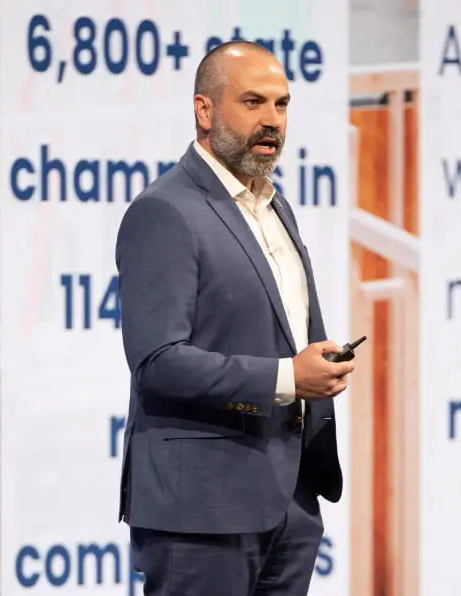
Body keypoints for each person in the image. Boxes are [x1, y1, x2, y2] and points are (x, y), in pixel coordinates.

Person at [115, 41, 356, 595]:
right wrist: (289, 377)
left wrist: (320, 364)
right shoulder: (165, 211)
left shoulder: (275, 206)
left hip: (291, 502)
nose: (272, 120)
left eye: (281, 104)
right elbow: (158, 362)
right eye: (253, 102)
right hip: (203, 511)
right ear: (204, 110)